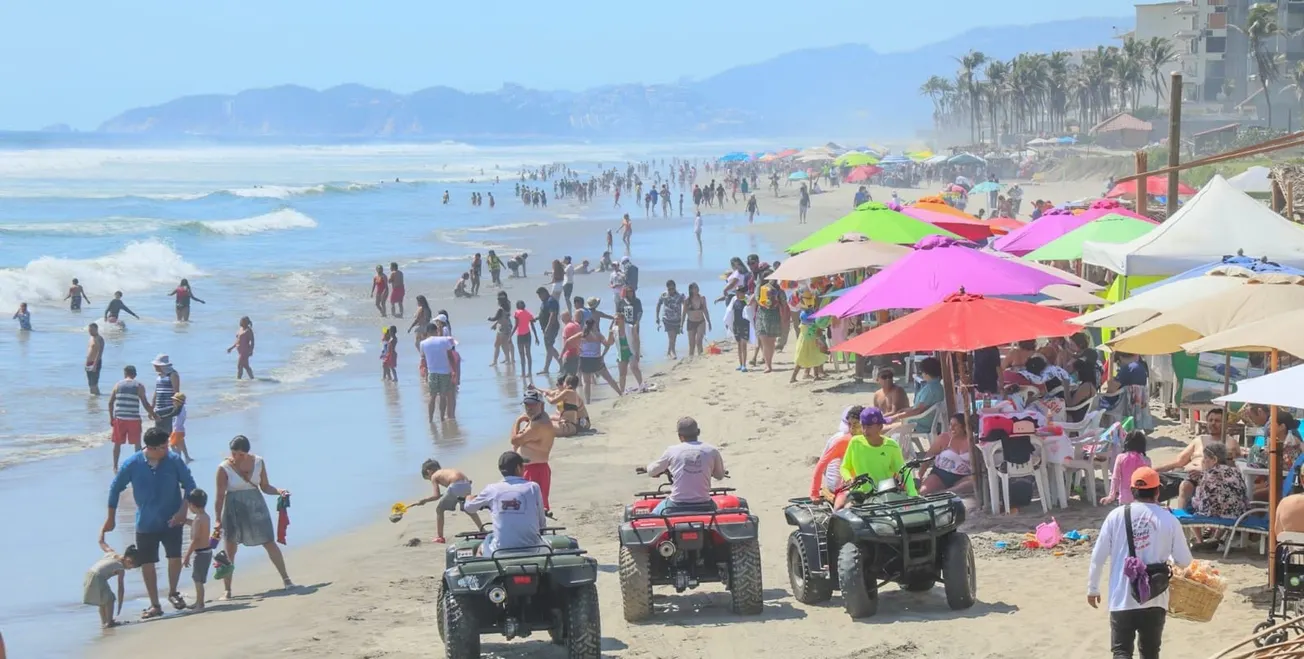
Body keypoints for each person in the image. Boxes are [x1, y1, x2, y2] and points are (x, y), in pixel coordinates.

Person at [1087, 467, 1193, 659]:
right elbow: (1184, 561)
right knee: (1150, 653)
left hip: (1122, 598)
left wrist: (1093, 588)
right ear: (1158, 491)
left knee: (1121, 652)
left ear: (1132, 491)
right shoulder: (1169, 520)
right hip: (1155, 597)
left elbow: (1098, 556)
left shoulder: (1116, 516)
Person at [105, 427, 196, 618]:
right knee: (148, 563)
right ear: (151, 448)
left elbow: (190, 485)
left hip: (173, 519)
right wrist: (110, 517)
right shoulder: (132, 463)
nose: (167, 450)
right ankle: (155, 604)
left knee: (174, 557)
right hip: (146, 522)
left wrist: (183, 510)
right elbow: (114, 488)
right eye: (163, 447)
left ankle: (173, 592)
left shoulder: (173, 460)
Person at [214, 435, 294, 598]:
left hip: (255, 505)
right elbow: (220, 496)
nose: (236, 457)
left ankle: (286, 579)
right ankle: (227, 590)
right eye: (234, 453)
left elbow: (264, 486)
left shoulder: (258, 462)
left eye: (241, 454)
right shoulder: (224, 468)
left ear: (247, 453)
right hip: (233, 507)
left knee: (268, 541)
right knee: (230, 547)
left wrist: (279, 491)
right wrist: (217, 519)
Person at [463, 452, 547, 556]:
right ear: (518, 468)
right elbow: (541, 521)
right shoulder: (533, 487)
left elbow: (469, 508)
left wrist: (468, 498)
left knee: (484, 543)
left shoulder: (492, 489)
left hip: (500, 549)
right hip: (533, 546)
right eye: (523, 466)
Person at [641, 417, 726, 513]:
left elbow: (653, 471)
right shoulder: (712, 450)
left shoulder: (672, 450)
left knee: (654, 514)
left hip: (676, 505)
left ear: (679, 435)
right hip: (704, 504)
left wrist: (647, 468)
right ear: (698, 432)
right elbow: (719, 475)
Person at [837, 407, 913, 509]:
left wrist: (913, 493)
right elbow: (844, 467)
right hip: (860, 493)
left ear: (880, 426)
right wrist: (848, 479)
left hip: (886, 492)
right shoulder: (855, 443)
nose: (865, 430)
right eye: (863, 426)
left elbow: (903, 471)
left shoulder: (892, 446)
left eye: (868, 426)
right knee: (848, 511)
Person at [409, 459, 484, 544]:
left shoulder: (434, 476)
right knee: (469, 509)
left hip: (455, 486)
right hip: (466, 484)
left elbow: (436, 496)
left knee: (439, 509)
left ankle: (440, 537)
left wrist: (424, 500)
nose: (431, 480)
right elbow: (452, 489)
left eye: (428, 479)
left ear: (429, 471)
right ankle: (482, 531)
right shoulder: (446, 471)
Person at [511, 390, 556, 516]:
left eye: (532, 405)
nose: (529, 408)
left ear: (541, 405)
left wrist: (518, 421)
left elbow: (514, 440)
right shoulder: (537, 418)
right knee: (530, 506)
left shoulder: (538, 424)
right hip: (532, 468)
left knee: (532, 507)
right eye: (527, 405)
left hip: (534, 469)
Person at [1177, 442, 1249, 519]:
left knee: (1188, 506)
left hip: (1214, 516)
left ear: (1214, 459)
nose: (1203, 461)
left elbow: (1198, 503)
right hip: (1238, 515)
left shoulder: (1209, 474)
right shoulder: (1236, 471)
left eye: (1205, 458)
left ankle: (1185, 526)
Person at [810, 406, 864, 501]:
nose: (852, 428)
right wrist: (814, 493)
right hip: (848, 486)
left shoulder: (877, 440)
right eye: (850, 425)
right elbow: (821, 465)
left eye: (855, 424)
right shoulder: (843, 441)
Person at [108, 365, 155, 472]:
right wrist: (153, 414)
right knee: (137, 443)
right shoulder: (139, 386)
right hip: (134, 418)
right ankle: (138, 465)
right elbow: (145, 403)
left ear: (125, 373)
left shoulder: (118, 385)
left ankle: (115, 466)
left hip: (120, 419)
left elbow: (110, 403)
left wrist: (111, 418)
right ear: (134, 374)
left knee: (117, 443)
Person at [86, 538, 141, 628]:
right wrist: (119, 605)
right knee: (110, 599)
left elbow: (102, 543)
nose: (130, 568)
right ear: (127, 559)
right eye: (131, 565)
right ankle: (110, 622)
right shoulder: (120, 568)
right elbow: (120, 588)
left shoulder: (111, 553)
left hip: (89, 574)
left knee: (102, 601)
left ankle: (104, 622)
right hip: (98, 577)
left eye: (133, 567)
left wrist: (102, 531)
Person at [919, 414, 973, 494]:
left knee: (973, 482)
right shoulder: (944, 438)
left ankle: (945, 493)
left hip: (963, 476)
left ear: (964, 427)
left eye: (955, 425)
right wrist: (920, 475)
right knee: (924, 491)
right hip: (941, 474)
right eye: (950, 425)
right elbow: (928, 457)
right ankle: (948, 493)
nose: (951, 428)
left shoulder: (971, 440)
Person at [419, 322, 460, 422]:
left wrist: (424, 373)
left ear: (427, 332)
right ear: (436, 331)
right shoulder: (445, 340)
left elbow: (423, 359)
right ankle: (442, 418)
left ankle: (430, 420)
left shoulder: (423, 343)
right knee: (443, 396)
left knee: (432, 397)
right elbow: (451, 356)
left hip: (432, 373)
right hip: (445, 372)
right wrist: (454, 371)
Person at [894, 357, 944, 435]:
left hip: (919, 424)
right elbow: (923, 407)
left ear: (926, 373)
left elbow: (919, 410)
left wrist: (897, 417)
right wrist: (907, 410)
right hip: (927, 422)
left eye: (922, 372)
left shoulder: (930, 389)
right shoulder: (938, 386)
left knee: (883, 429)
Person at [181, 488, 212, 611]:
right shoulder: (204, 517)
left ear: (192, 505)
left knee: (198, 579)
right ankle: (199, 602)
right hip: (206, 551)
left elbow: (195, 540)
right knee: (197, 578)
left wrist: (187, 555)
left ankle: (200, 604)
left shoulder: (198, 520)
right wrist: (184, 521)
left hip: (201, 553)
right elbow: (194, 523)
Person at [1103, 431, 1152, 506]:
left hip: (1124, 499)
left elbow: (1115, 478)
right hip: (1141, 499)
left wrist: (1111, 495)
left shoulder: (1120, 458)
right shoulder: (1147, 461)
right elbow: (1150, 481)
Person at [752, 278, 782, 372]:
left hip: (770, 317)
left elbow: (783, 301)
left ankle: (769, 363)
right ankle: (768, 365)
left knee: (770, 342)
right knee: (766, 342)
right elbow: (757, 298)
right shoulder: (761, 289)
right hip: (764, 317)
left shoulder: (778, 289)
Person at [613, 311, 645, 393]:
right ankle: (622, 391)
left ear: (623, 319)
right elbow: (609, 342)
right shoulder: (614, 330)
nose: (616, 321)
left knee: (634, 367)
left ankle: (641, 385)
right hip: (621, 353)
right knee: (622, 373)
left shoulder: (630, 327)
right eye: (615, 319)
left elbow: (636, 340)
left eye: (617, 319)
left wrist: (638, 352)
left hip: (630, 351)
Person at [151, 354, 181, 436]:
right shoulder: (159, 376)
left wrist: (176, 407)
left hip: (168, 408)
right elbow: (156, 392)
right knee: (159, 432)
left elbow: (176, 392)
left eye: (156, 365)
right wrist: (151, 408)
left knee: (166, 433)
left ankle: (167, 448)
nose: (154, 366)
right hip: (159, 409)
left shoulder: (172, 374)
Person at [656, 280, 686, 360]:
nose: (671, 291)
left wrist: (684, 317)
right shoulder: (664, 295)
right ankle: (673, 353)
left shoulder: (680, 295)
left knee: (674, 338)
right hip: (667, 319)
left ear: (675, 287)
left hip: (677, 320)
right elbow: (658, 305)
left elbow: (685, 305)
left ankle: (668, 352)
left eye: (672, 289)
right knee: (671, 337)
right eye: (669, 289)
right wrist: (657, 317)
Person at [536, 287, 561, 375]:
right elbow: (544, 313)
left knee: (549, 347)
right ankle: (551, 367)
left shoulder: (551, 301)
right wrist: (537, 318)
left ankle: (556, 365)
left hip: (551, 328)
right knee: (549, 347)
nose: (540, 297)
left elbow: (552, 315)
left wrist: (548, 327)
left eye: (540, 295)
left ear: (545, 293)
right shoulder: (545, 302)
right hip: (546, 328)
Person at [161, 391, 192, 462]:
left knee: (172, 445)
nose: (173, 402)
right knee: (181, 444)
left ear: (179, 402)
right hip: (181, 430)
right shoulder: (182, 408)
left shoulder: (178, 409)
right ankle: (186, 457)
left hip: (177, 431)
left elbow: (173, 413)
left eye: (174, 400)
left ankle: (177, 458)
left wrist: (162, 417)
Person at [615, 285, 643, 361]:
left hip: (634, 324)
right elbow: (618, 313)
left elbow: (640, 312)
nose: (630, 293)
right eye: (628, 291)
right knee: (626, 340)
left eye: (631, 291)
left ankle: (637, 354)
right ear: (626, 293)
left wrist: (637, 322)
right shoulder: (621, 302)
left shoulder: (637, 301)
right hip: (624, 325)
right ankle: (627, 356)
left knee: (635, 340)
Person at [726, 289, 751, 373]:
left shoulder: (747, 301)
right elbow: (729, 313)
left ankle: (744, 365)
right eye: (736, 293)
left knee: (744, 345)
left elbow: (751, 311)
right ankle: (740, 364)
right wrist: (728, 323)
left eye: (738, 293)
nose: (736, 294)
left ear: (742, 293)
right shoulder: (734, 301)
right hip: (736, 325)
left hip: (745, 325)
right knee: (739, 345)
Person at [684, 282, 710, 357]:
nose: (697, 289)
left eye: (697, 287)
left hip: (701, 322)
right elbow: (684, 313)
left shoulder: (702, 298)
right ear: (691, 290)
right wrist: (681, 325)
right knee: (691, 344)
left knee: (699, 341)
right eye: (695, 288)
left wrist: (709, 321)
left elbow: (705, 310)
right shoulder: (687, 300)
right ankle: (691, 358)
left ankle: (700, 357)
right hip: (690, 322)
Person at [513, 299, 538, 378]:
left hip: (520, 335)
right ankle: (529, 372)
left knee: (522, 355)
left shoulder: (517, 313)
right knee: (528, 354)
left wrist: (510, 336)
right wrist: (536, 337)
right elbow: (533, 326)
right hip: (528, 335)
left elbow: (516, 325)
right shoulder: (528, 313)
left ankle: (523, 373)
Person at [85, 322, 105, 395]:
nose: (90, 332)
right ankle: (93, 402)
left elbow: (100, 353)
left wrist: (95, 365)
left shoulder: (99, 339)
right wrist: (86, 362)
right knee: (90, 384)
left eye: (92, 330)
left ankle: (97, 398)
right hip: (88, 362)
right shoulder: (91, 338)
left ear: (96, 329)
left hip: (95, 363)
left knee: (94, 384)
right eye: (89, 330)